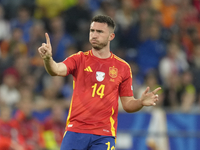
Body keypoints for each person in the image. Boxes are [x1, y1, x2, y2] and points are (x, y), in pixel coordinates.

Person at [38, 15, 161, 150]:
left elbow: (127, 104)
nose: (94, 35)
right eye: (92, 31)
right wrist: (48, 59)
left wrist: (140, 102)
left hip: (104, 134)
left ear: (111, 36)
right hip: (76, 130)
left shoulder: (123, 67)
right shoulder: (79, 59)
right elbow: (55, 70)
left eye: (100, 32)